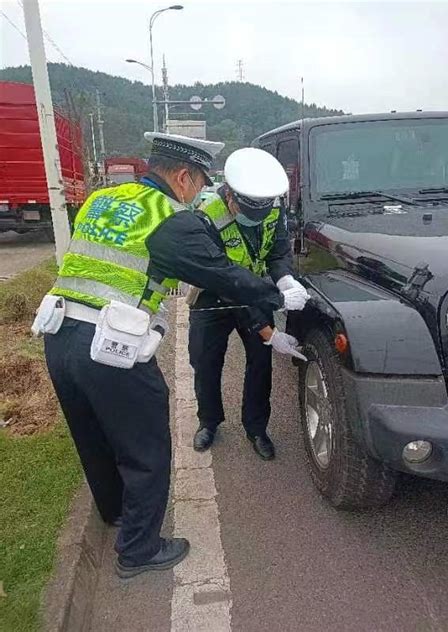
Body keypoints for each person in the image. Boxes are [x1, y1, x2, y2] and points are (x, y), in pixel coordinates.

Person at [35, 132, 309, 579]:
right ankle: (139, 550)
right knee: (145, 447)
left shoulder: (104, 199)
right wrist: (278, 296)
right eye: (200, 182)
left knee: (94, 437)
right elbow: (220, 274)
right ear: (183, 175)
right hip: (108, 347)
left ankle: (117, 515)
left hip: (59, 334)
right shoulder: (171, 218)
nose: (200, 192)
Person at [189, 148, 308, 460]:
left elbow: (278, 251)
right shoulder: (206, 216)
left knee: (260, 363)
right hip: (213, 295)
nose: (257, 219)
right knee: (205, 361)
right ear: (230, 195)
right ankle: (208, 421)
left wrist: (285, 280)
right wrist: (270, 332)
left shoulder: (271, 206)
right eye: (248, 212)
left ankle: (256, 427)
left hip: (255, 293)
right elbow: (224, 280)